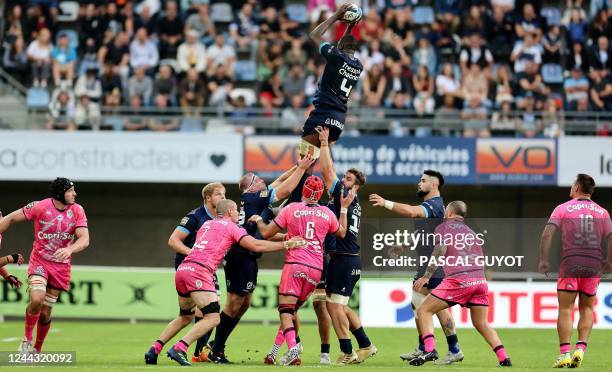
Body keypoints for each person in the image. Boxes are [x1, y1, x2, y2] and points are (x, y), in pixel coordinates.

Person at [144, 200, 305, 366]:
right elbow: (255, 245)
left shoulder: (207, 224)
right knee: (213, 318)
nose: (238, 214)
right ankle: (180, 347)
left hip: (183, 269)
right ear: (229, 211)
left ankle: (154, 349)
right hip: (200, 271)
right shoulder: (232, 227)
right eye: (236, 211)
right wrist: (285, 244)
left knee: (185, 316)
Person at [205, 156, 317, 363]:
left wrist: (301, 165)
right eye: (259, 180)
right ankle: (215, 348)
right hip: (242, 255)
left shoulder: (255, 199)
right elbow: (284, 190)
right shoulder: (254, 197)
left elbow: (281, 180)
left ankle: (217, 344)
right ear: (252, 185)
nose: (263, 182)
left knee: (245, 303)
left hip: (246, 256)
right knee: (234, 303)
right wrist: (302, 168)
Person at [251, 175, 353, 366]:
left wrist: (258, 219)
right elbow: (342, 232)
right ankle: (274, 353)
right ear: (320, 192)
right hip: (316, 269)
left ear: (304, 190)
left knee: (285, 311)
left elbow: (265, 233)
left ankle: (294, 349)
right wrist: (344, 208)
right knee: (291, 311)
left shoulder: (291, 209)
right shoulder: (327, 212)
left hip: (295, 264)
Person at [369, 170, 463, 365]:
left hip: (433, 265)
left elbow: (412, 211)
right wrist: (403, 245)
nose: (419, 183)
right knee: (423, 305)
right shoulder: (432, 206)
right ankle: (434, 347)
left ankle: (440, 349)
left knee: (431, 307)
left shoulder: (435, 205)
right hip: (426, 264)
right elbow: (425, 234)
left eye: (423, 180)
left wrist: (386, 203)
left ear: (434, 185)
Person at [411, 201, 512, 367]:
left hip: (459, 279)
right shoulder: (472, 232)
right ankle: (503, 358)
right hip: (479, 281)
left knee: (423, 310)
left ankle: (430, 349)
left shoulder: (443, 227)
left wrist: (427, 276)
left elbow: (440, 250)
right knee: (482, 323)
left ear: (449, 212)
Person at [0, 178, 89, 354]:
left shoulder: (77, 210)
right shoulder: (40, 206)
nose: (74, 194)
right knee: (36, 299)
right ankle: (26, 341)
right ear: (60, 193)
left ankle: (37, 350)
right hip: (40, 262)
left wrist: (70, 249)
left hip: (61, 267)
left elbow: (85, 239)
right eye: (71, 190)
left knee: (46, 312)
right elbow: (10, 218)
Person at [315, 126, 377, 364]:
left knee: (334, 307)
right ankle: (365, 344)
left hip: (344, 257)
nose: (343, 180)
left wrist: (324, 143)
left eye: (348, 178)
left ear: (356, 185)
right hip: (344, 257)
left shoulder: (346, 197)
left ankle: (347, 351)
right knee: (339, 303)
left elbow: (327, 170)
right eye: (345, 177)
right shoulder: (351, 201)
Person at [538, 174, 612, 368]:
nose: (570, 188)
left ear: (577, 187)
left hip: (571, 261)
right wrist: (609, 261)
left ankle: (565, 354)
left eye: (572, 185)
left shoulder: (563, 208)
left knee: (565, 308)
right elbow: (611, 236)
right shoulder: (602, 212)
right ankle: (581, 348)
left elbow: (547, 234)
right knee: (587, 308)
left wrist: (544, 260)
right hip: (594, 262)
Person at [163, 182, 226, 363]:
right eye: (219, 194)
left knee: (202, 310)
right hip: (189, 266)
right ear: (207, 198)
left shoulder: (219, 218)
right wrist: (195, 253)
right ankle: (197, 352)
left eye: (224, 194)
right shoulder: (195, 217)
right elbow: (173, 241)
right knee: (207, 310)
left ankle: (197, 352)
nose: (223, 198)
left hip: (205, 267)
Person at [301, 3, 363, 158]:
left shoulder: (335, 56)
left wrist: (336, 15)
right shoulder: (358, 66)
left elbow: (314, 35)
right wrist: (349, 27)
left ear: (339, 47)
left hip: (322, 113)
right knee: (324, 162)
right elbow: (344, 47)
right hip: (339, 120)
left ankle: (304, 182)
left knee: (305, 160)